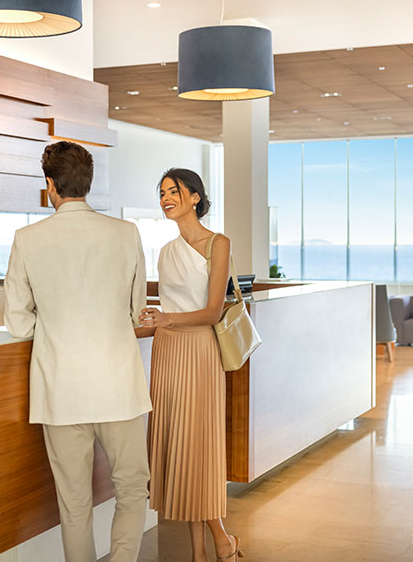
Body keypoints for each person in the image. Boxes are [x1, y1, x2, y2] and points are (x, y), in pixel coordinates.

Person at [4, 141, 151, 562]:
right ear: (88, 183)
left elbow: (17, 321)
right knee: (130, 488)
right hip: (119, 385)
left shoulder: (28, 238)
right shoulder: (126, 233)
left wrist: (53, 329)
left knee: (73, 504)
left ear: (50, 184)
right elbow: (136, 309)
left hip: (60, 388)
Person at [138, 168, 243, 562]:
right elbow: (165, 310)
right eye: (161, 191)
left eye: (173, 191)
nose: (166, 197)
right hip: (167, 353)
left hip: (199, 352)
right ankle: (203, 549)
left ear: (195, 196)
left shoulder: (218, 243)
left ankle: (219, 539)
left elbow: (213, 311)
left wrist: (168, 319)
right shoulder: (165, 252)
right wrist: (150, 321)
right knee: (178, 449)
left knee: (197, 448)